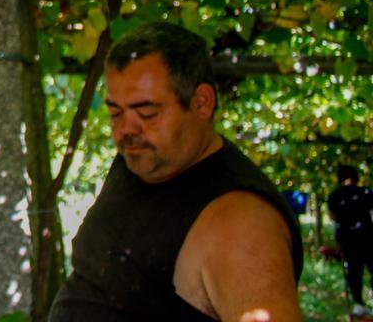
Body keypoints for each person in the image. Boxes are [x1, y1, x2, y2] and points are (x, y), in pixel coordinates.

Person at [49, 21, 303, 322]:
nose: (126, 130)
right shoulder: (144, 157)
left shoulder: (242, 225)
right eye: (115, 112)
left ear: (202, 103)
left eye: (147, 112)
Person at [326, 164, 373, 315]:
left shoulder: (335, 195)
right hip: (367, 237)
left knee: (354, 271)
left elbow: (332, 216)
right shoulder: (365, 192)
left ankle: (358, 303)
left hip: (348, 240)